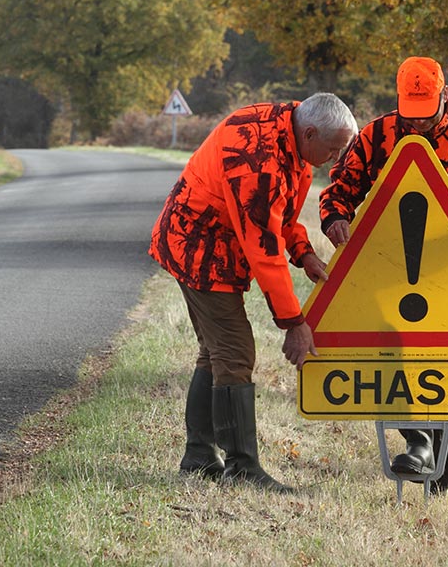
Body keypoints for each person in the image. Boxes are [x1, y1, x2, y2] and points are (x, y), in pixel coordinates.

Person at [319, 56, 448, 495]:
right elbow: (339, 189)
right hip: (387, 266)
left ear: (444, 98)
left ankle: (444, 466)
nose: (416, 126)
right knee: (398, 354)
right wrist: (336, 218)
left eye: (426, 115)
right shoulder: (376, 135)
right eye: (409, 115)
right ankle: (418, 444)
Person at [150, 92, 358, 493]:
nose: (335, 159)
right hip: (197, 245)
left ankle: (198, 457)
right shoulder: (256, 159)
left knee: (216, 351)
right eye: (332, 149)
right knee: (234, 350)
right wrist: (293, 323)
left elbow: (282, 214)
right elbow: (264, 252)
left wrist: (304, 252)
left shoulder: (291, 129)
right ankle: (241, 468)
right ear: (311, 133)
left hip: (221, 241)